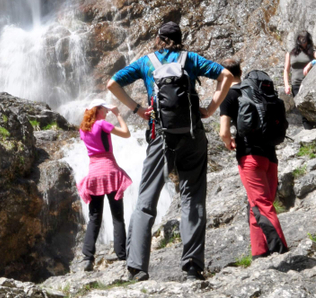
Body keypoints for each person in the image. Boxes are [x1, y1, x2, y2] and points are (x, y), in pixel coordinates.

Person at [107, 20, 234, 282]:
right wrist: (210, 110)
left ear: (158, 39)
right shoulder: (191, 59)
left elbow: (111, 84)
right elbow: (227, 76)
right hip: (192, 135)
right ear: (179, 39)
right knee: (193, 198)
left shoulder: (146, 62)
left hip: (160, 136)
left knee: (146, 201)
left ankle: (137, 268)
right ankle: (192, 268)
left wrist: (137, 110)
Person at [219, 58, 288, 258]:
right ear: (241, 70)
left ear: (222, 73)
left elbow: (224, 132)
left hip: (250, 156)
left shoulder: (230, 95)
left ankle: (281, 250)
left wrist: (229, 142)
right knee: (256, 204)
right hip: (270, 155)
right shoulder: (257, 91)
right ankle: (260, 252)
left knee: (261, 204)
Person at [77, 102, 132, 271]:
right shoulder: (102, 124)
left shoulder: (83, 129)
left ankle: (87, 257)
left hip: (93, 174)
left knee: (94, 217)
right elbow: (126, 133)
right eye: (105, 109)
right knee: (117, 217)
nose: (107, 111)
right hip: (109, 172)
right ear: (97, 110)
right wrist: (118, 115)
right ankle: (121, 255)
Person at [284, 31, 316, 129]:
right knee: (302, 111)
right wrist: (286, 84)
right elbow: (286, 70)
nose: (303, 42)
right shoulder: (291, 53)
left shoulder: (312, 51)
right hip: (296, 85)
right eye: (301, 39)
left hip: (309, 85)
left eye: (304, 40)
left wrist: (311, 64)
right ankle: (308, 132)